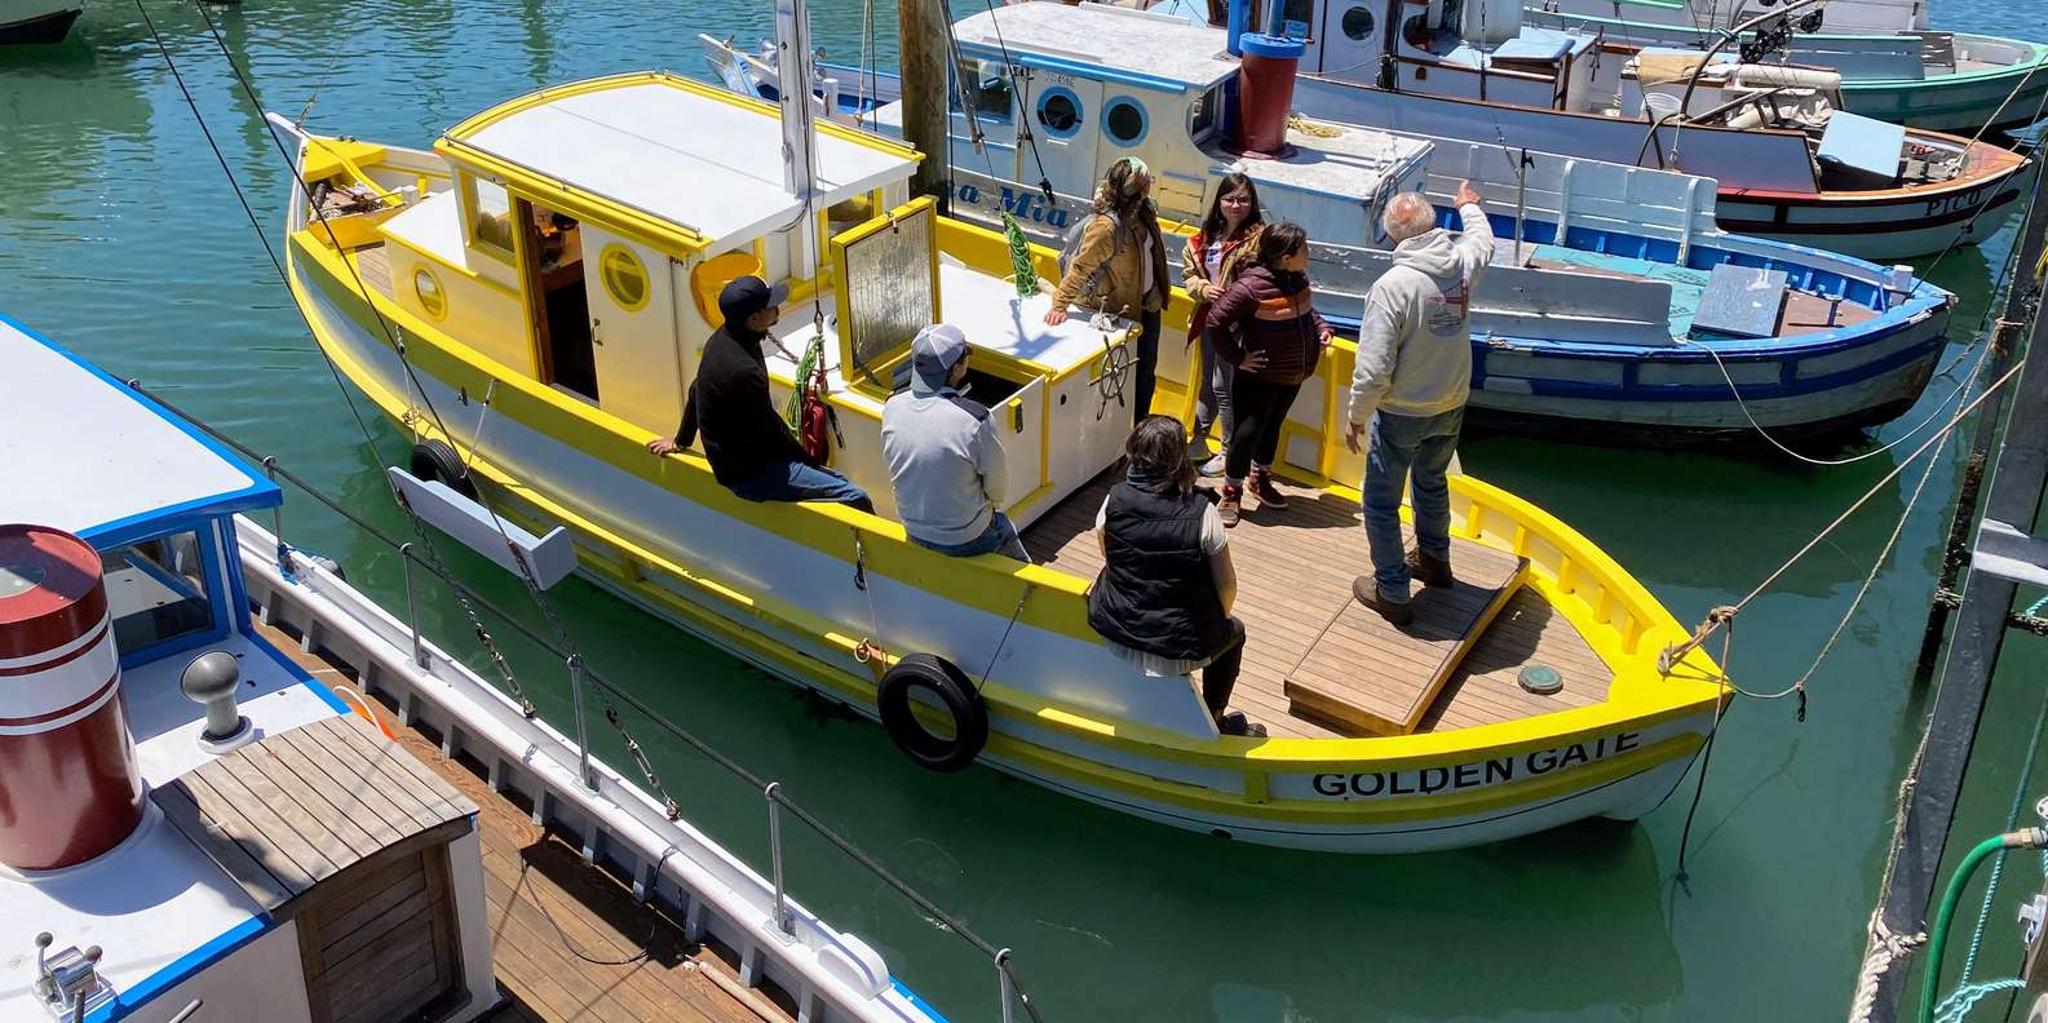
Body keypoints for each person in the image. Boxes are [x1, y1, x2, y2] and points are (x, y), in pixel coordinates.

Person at [1343, 183, 1493, 625]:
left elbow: (1373, 367)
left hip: (1403, 411)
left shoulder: (1393, 286)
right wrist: (1468, 207)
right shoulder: (1460, 265)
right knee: (1431, 482)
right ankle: (1435, 561)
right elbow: (1483, 241)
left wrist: (1356, 416)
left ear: (1393, 236)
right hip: (1451, 403)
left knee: (1381, 502)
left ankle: (1392, 589)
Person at [1087, 416, 1265, 738]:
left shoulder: (1114, 498)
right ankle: (1215, 718)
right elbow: (1226, 585)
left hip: (1116, 627)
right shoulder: (1203, 513)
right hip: (1177, 644)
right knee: (1234, 631)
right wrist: (1218, 618)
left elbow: (1107, 552)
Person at [648, 275, 873, 512]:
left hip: (737, 462)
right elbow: (769, 431)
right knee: (854, 495)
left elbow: (697, 389)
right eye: (771, 307)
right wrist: (808, 461)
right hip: (749, 477)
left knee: (837, 481)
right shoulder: (744, 371)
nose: (778, 309)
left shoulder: (720, 340)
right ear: (754, 318)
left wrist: (681, 440)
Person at [1197, 220, 1331, 528]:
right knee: (1247, 433)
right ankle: (1231, 490)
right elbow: (1215, 322)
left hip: (1292, 374)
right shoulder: (1250, 287)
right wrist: (1238, 358)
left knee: (1273, 427)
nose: (1308, 253)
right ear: (1285, 256)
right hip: (1258, 376)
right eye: (1304, 248)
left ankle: (1260, 478)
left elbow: (1307, 310)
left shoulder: (1297, 279)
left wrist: (1322, 328)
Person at [881, 324, 1030, 560]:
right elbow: (998, 489)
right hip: (964, 537)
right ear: (957, 368)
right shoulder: (975, 419)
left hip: (913, 528)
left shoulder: (891, 406)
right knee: (1003, 529)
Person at [1043, 157, 1171, 426]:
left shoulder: (1144, 212)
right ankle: (1119, 432)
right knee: (1122, 376)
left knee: (1146, 371)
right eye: (1145, 182)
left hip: (1149, 305)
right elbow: (1080, 268)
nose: (1149, 186)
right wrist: (1059, 305)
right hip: (1121, 312)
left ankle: (1139, 425)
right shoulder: (1106, 227)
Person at [1181, 172, 1265, 478]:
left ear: (1252, 203)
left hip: (1238, 325)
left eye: (1243, 199)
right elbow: (1189, 275)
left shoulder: (1259, 239)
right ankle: (1200, 439)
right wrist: (1202, 289)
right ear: (1218, 202)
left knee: (1224, 386)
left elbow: (1262, 280)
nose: (1236, 205)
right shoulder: (1205, 236)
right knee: (1208, 381)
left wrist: (1233, 297)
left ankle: (1230, 451)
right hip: (1208, 318)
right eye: (1230, 198)